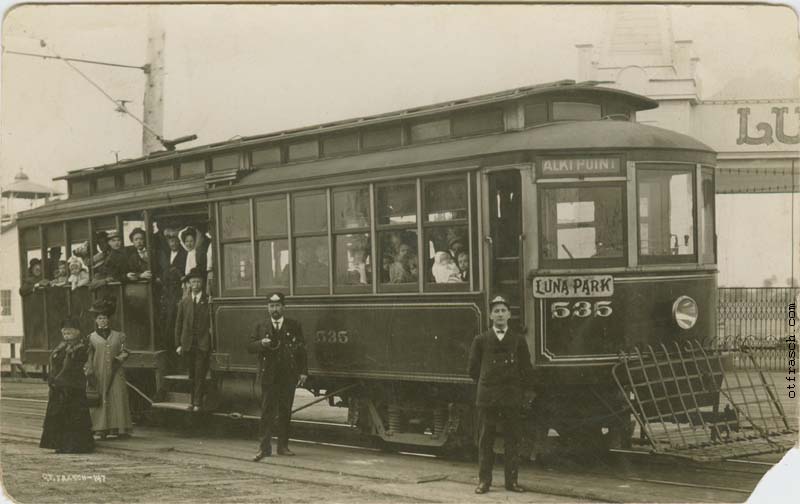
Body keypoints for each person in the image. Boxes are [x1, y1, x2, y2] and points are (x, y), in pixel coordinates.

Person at [468, 295, 533, 494]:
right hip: (488, 397)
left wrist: (519, 391)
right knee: (485, 440)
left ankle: (511, 482)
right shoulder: (481, 340)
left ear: (509, 315)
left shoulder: (518, 340)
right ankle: (484, 482)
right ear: (490, 316)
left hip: (511, 397)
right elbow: (473, 369)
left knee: (512, 440)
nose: (500, 314)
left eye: (503, 311)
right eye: (496, 311)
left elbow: (525, 369)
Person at [248, 292, 307, 460]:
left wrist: (303, 372)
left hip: (287, 376)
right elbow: (249, 346)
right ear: (268, 307)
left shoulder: (294, 325)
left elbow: (302, 350)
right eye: (271, 306)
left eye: (278, 306)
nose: (275, 309)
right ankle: (264, 448)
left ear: (283, 307)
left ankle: (283, 446)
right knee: (267, 412)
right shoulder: (260, 326)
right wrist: (261, 344)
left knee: (285, 411)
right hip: (269, 376)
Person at [40, 317, 94, 454]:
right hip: (59, 387)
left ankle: (75, 446)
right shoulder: (62, 346)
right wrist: (52, 379)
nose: (66, 332)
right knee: (59, 416)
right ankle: (60, 444)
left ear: (77, 331)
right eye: (64, 330)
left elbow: (75, 368)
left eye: (69, 330)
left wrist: (59, 380)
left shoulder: (82, 347)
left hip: (72, 388)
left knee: (73, 417)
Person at [85, 298, 133, 439]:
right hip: (98, 372)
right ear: (96, 320)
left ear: (109, 319)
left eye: (105, 318)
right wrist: (89, 371)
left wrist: (119, 359)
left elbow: (125, 351)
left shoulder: (119, 336)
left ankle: (118, 427)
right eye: (100, 318)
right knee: (100, 399)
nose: (103, 321)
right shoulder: (91, 338)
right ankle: (100, 428)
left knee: (117, 397)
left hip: (116, 371)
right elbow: (88, 357)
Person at [174, 268, 211, 412]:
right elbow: (178, 324)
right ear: (189, 284)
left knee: (200, 372)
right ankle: (192, 400)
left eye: (198, 281)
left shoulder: (207, 300)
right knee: (191, 374)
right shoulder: (185, 302)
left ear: (202, 283)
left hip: (202, 343)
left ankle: (197, 403)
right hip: (188, 344)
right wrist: (178, 344)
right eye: (193, 282)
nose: (195, 284)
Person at [158, 228, 187, 353]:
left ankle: (177, 346)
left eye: (175, 242)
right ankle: (168, 347)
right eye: (171, 242)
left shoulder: (184, 255)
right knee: (166, 319)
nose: (173, 244)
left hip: (177, 290)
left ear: (179, 242)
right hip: (167, 291)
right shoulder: (165, 255)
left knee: (176, 318)